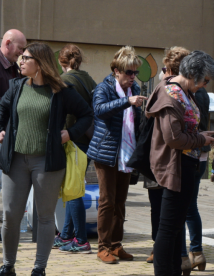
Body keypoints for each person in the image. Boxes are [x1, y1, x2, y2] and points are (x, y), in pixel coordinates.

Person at [0, 42, 93, 276]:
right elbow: (1, 110)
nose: (21, 61)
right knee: (10, 215)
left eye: (26, 58)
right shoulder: (16, 86)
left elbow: (87, 114)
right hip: (15, 160)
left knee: (45, 217)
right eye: (22, 57)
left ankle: (39, 269)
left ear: (40, 64)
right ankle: (8, 266)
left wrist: (70, 133)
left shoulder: (62, 90)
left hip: (46, 163)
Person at [146, 50, 214, 276]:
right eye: (205, 80)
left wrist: (202, 134)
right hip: (175, 166)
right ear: (194, 74)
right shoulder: (172, 94)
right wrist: (201, 139)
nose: (205, 85)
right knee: (167, 230)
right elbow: (173, 138)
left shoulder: (184, 92)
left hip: (185, 165)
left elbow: (183, 129)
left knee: (176, 229)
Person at [87, 46, 147, 264]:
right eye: (129, 72)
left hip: (126, 152)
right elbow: (100, 110)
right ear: (116, 71)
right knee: (107, 201)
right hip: (106, 152)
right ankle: (103, 247)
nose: (132, 77)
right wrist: (126, 102)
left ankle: (116, 244)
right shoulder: (104, 87)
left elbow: (137, 122)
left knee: (120, 202)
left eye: (135, 72)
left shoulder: (135, 88)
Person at [144, 46, 190, 265]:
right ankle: (173, 259)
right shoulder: (173, 90)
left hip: (164, 160)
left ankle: (172, 258)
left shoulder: (172, 88)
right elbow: (172, 136)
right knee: (170, 221)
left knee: (167, 219)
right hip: (169, 160)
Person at [52, 44, 97, 253]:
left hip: (71, 139)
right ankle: (66, 235)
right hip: (86, 141)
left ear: (62, 62)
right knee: (73, 188)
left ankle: (81, 239)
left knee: (73, 190)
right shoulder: (88, 78)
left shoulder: (65, 81)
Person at [0, 29, 26, 243]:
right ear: (8, 43)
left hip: (3, 131)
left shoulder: (12, 67)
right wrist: (11, 103)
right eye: (20, 49)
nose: (21, 54)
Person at [181, 85, 211, 273]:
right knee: (190, 205)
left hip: (192, 153)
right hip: (199, 152)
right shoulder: (200, 93)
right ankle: (196, 252)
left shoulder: (190, 93)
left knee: (186, 206)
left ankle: (187, 254)